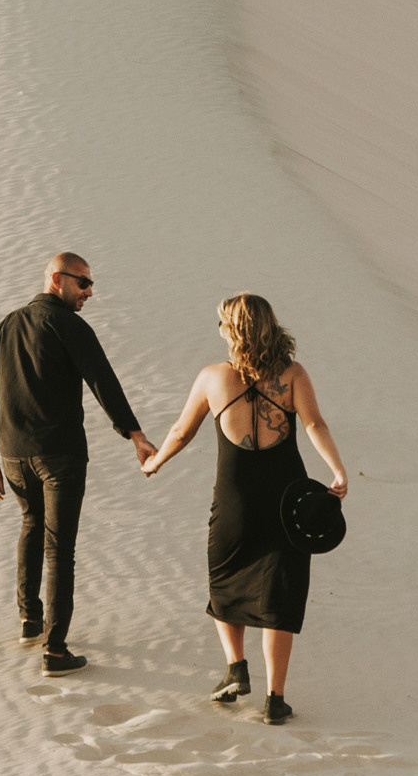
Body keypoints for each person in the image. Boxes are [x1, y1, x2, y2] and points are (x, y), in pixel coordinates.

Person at [141, 291, 346, 723]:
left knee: (225, 576)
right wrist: (337, 470)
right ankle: (275, 698)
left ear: (233, 330)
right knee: (280, 595)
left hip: (235, 497)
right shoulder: (292, 375)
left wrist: (155, 463)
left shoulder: (213, 377)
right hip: (285, 498)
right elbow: (314, 423)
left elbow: (181, 431)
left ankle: (236, 667)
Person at [0, 253, 157, 672]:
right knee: (59, 548)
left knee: (31, 526)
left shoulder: (7, 324)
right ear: (57, 280)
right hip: (59, 455)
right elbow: (103, 381)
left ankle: (30, 619)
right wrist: (135, 435)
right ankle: (56, 650)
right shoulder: (68, 325)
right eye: (83, 283)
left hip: (15, 455)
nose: (90, 292)